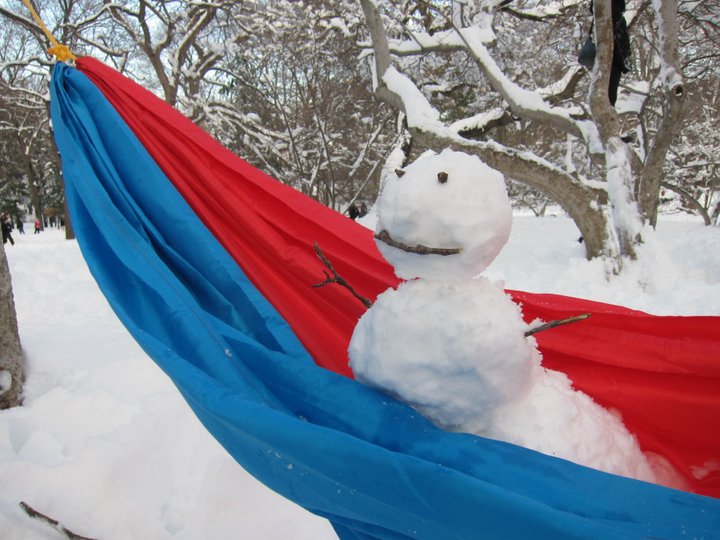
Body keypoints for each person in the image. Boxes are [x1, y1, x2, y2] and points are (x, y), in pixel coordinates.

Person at [578, 0, 631, 106]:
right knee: (607, 95)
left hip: (611, 58)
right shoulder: (616, 19)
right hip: (610, 58)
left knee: (607, 95)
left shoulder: (613, 18)